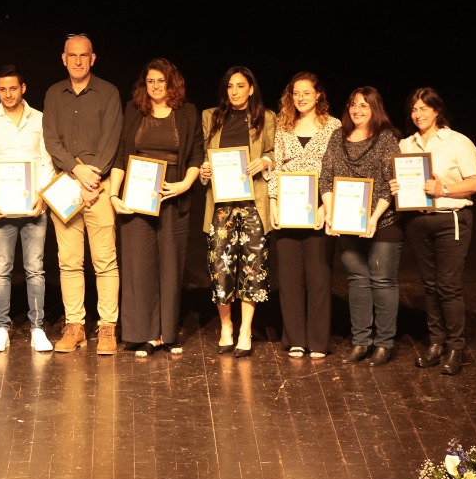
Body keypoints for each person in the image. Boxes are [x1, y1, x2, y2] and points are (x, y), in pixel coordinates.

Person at [108, 59, 203, 356]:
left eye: (161, 80)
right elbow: (122, 155)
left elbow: (196, 156)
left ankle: (165, 333)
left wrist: (184, 185)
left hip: (172, 193)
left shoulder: (187, 112)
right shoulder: (134, 110)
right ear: (144, 84)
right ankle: (143, 333)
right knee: (139, 264)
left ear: (171, 83)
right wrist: (114, 195)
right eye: (150, 81)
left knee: (170, 264)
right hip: (137, 193)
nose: (156, 86)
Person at [41, 34, 123, 354]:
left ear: (93, 58)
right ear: (64, 59)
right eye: (72, 55)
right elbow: (51, 140)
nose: (77, 61)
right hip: (65, 186)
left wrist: (92, 180)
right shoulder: (53, 94)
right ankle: (75, 326)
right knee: (69, 262)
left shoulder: (109, 93)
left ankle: (107, 327)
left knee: (105, 261)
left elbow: (111, 140)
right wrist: (77, 172)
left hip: (99, 187)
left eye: (83, 55)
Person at [392, 87, 476, 376]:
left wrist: (444, 189)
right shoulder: (406, 144)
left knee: (448, 286)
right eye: (413, 109)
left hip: (450, 219)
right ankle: (436, 343)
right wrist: (397, 187)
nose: (417, 114)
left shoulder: (457, 142)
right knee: (430, 286)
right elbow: (405, 179)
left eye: (423, 108)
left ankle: (455, 347)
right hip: (418, 221)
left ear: (436, 110)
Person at [0, 66, 54, 353]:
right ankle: (1, 328)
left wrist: (43, 196)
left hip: (33, 206)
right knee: (1, 269)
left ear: (23, 88)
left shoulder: (39, 119)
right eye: (2, 89)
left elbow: (46, 160)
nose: (8, 94)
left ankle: (37, 328)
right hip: (2, 207)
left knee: (35, 269)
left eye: (13, 88)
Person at [198, 66, 276, 359]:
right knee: (220, 266)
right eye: (230, 86)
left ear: (251, 89)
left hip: (253, 202)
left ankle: (245, 329)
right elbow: (203, 156)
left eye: (240, 86)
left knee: (253, 268)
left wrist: (264, 162)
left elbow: (274, 152)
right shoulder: (211, 116)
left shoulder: (266, 117)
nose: (234, 92)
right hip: (221, 204)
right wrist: (204, 170)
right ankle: (226, 326)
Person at [321, 87, 402, 366]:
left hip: (383, 220)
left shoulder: (386, 138)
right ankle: (360, 341)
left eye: (364, 105)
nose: (357, 110)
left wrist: (374, 217)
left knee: (382, 280)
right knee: (357, 280)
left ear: (375, 109)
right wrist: (330, 213)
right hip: (347, 221)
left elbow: (390, 183)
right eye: (353, 104)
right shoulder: (337, 136)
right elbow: (326, 177)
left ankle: (384, 343)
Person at [268, 72, 341, 359]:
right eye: (296, 93)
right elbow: (275, 166)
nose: (300, 98)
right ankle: (295, 338)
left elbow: (336, 167)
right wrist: (273, 202)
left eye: (306, 93)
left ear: (318, 94)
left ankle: (319, 341)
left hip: (320, 207)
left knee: (319, 278)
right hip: (288, 207)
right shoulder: (283, 125)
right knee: (289, 279)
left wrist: (327, 206)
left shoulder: (333, 126)